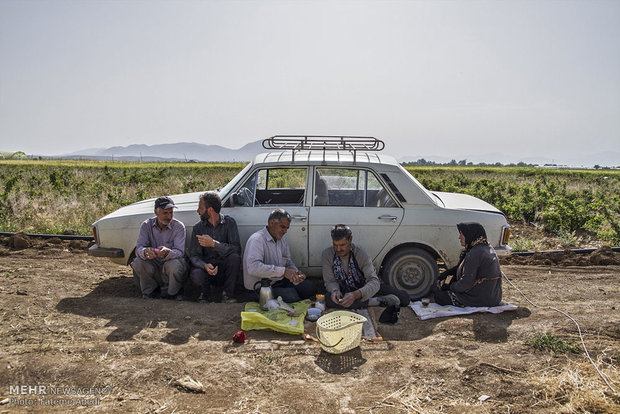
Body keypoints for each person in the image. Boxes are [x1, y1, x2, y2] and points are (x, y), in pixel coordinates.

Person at [322, 224, 410, 323]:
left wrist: (356, 294)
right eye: (335, 245)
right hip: (345, 291)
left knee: (404, 299)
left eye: (342, 245)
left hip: (365, 289)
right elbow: (330, 281)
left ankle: (367, 301)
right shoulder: (327, 254)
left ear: (350, 240)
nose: (338, 249)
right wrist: (335, 291)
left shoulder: (360, 253)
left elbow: (374, 281)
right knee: (329, 299)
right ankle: (376, 302)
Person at [243, 209, 317, 303]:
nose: (285, 231)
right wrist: (283, 272)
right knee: (291, 296)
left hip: (278, 282)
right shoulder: (257, 239)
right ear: (271, 223)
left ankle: (290, 294)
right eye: (282, 227)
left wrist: (296, 274)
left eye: (287, 228)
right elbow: (253, 268)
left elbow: (288, 262)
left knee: (310, 287)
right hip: (260, 288)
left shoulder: (281, 239)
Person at [188, 192, 241, 303]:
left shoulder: (229, 223)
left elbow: (236, 249)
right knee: (196, 274)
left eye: (200, 208)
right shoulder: (198, 228)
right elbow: (194, 255)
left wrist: (214, 244)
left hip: (224, 269)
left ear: (210, 210)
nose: (198, 211)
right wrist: (204, 265)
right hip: (207, 268)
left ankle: (227, 295)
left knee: (234, 258)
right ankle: (205, 295)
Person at [433, 222, 503, 307]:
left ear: (470, 235)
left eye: (462, 234)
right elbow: (463, 268)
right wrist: (447, 273)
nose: (459, 237)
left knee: (439, 296)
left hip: (481, 299)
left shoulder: (475, 253)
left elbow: (465, 283)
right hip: (494, 298)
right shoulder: (486, 248)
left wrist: (450, 287)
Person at [131, 196, 188, 299]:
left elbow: (180, 252)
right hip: (152, 264)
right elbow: (139, 248)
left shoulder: (178, 227)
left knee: (176, 265)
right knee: (138, 262)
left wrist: (168, 252)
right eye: (165, 213)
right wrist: (145, 252)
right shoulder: (146, 225)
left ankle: (173, 293)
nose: (169, 216)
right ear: (156, 212)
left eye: (171, 213)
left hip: (168, 265)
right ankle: (150, 292)